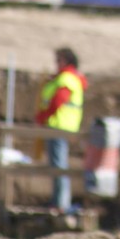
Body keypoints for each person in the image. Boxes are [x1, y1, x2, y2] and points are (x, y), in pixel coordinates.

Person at [35, 47, 87, 212]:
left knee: (59, 166)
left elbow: (58, 101)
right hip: (59, 125)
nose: (56, 64)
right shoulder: (64, 78)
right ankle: (59, 201)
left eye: (58, 60)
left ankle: (61, 203)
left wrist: (42, 117)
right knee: (57, 165)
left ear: (66, 61)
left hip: (59, 126)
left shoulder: (67, 79)